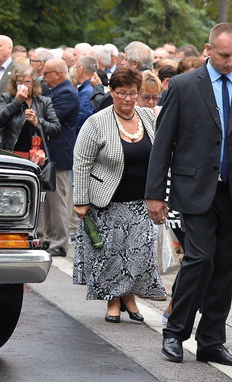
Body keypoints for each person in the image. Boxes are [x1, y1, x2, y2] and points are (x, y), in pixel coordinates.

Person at [147, 23, 232, 367]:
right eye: (225, 55)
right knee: (200, 259)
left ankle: (211, 341)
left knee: (225, 267)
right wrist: (155, 194)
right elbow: (164, 143)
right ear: (208, 50)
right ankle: (175, 332)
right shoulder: (184, 86)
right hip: (195, 190)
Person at [73, 67, 166, 322]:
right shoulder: (96, 122)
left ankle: (129, 296)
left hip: (141, 200)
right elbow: (81, 162)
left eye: (133, 93)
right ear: (112, 92)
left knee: (137, 253)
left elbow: (162, 155)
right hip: (107, 201)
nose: (127, 99)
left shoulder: (149, 118)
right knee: (112, 254)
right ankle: (113, 302)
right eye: (122, 93)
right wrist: (80, 200)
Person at [40, 58, 80, 257]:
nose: (43, 77)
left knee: (58, 202)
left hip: (59, 154)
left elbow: (51, 118)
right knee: (48, 200)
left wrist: (36, 115)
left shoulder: (66, 92)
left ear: (58, 73)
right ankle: (49, 238)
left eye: (46, 73)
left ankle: (61, 242)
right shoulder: (55, 91)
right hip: (51, 154)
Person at [0, 64, 60, 154]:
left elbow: (56, 129)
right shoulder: (7, 98)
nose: (23, 85)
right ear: (15, 83)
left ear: (34, 84)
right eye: (20, 82)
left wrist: (37, 122)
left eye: (28, 82)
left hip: (35, 156)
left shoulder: (44, 102)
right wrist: (17, 101)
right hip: (10, 153)